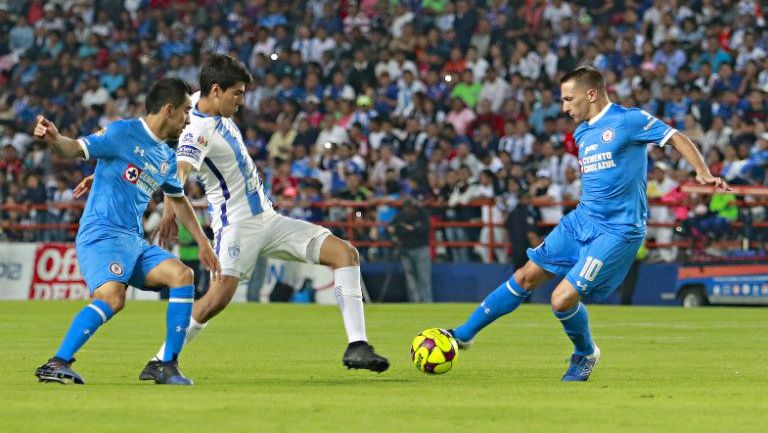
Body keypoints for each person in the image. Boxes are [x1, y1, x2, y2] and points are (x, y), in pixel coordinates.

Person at [79, 55, 388, 375]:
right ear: (216, 90)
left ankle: (357, 345)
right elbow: (181, 169)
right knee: (216, 299)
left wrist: (115, 169)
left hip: (269, 219)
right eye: (237, 93)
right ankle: (161, 360)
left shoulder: (197, 100)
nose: (242, 101)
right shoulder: (196, 131)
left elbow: (151, 131)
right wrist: (167, 204)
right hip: (237, 226)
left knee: (344, 253)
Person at [448, 67, 729, 381]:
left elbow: (676, 137)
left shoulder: (628, 120)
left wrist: (701, 172)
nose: (565, 106)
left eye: (569, 99)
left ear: (591, 94)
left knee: (561, 299)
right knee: (525, 276)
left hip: (618, 231)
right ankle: (462, 335)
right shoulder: (581, 132)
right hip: (581, 220)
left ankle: (584, 354)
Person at [33, 78, 221, 385]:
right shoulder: (122, 133)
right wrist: (54, 138)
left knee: (182, 275)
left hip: (134, 241)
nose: (189, 120)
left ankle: (166, 365)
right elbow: (74, 148)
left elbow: (179, 200)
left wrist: (204, 243)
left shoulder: (164, 156)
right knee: (113, 298)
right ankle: (57, 362)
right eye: (186, 111)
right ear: (169, 110)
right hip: (103, 235)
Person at [389, 198, 433, 303]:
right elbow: (391, 227)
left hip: (421, 248)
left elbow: (425, 229)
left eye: (410, 207)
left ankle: (427, 302)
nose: (409, 210)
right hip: (405, 249)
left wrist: (411, 229)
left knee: (423, 278)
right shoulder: (401, 216)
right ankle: (415, 302)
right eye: (407, 207)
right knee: (410, 279)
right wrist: (397, 230)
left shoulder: (422, 215)